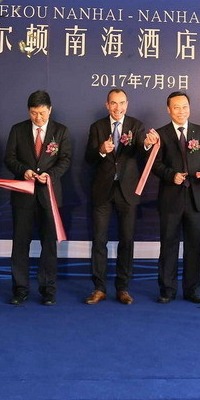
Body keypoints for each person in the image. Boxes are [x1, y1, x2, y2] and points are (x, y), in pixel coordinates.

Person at [145, 91, 200, 304]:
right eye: (176, 107)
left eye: (184, 106)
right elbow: (155, 164)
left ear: (190, 108)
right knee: (168, 245)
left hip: (197, 197)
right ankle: (167, 290)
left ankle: (192, 290)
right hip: (171, 197)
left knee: (195, 246)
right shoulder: (161, 134)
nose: (181, 111)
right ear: (168, 110)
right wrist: (171, 175)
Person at [5, 90, 72, 306]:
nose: (38, 118)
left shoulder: (60, 131)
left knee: (49, 245)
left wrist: (50, 175)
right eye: (34, 113)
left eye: (42, 113)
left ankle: (48, 290)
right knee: (20, 244)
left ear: (50, 110)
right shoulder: (18, 130)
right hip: (23, 196)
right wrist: (23, 170)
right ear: (28, 111)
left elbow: (65, 159)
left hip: (49, 195)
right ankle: (20, 289)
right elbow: (9, 158)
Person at [83, 88, 147, 305]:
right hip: (103, 191)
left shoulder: (136, 126)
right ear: (107, 105)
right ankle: (99, 288)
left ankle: (123, 288)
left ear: (127, 104)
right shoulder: (97, 127)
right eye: (113, 103)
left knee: (126, 241)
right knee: (99, 240)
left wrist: (148, 144)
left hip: (127, 192)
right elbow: (88, 158)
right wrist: (101, 150)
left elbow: (143, 151)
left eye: (121, 103)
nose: (117, 107)